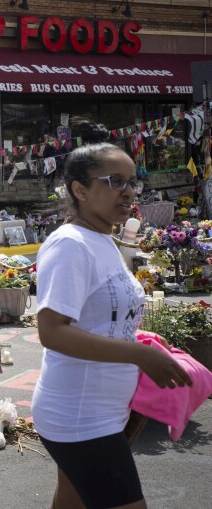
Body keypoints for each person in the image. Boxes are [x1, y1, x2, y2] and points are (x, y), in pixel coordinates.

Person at [32, 140, 192, 509]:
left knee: (71, 502)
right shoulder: (70, 245)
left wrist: (141, 341)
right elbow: (52, 331)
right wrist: (138, 355)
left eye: (133, 182)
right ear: (79, 190)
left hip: (101, 407)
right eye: (115, 181)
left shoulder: (103, 238)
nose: (129, 192)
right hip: (81, 415)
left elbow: (101, 317)